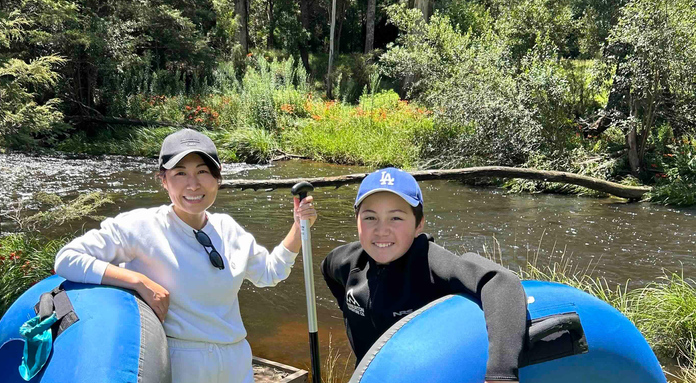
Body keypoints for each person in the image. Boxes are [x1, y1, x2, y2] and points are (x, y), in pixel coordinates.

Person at [54, 128, 317, 383]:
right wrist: (136, 281)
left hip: (236, 361)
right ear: (164, 180)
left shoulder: (229, 229)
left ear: (217, 177)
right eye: (180, 173)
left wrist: (297, 227)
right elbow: (67, 258)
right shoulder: (139, 226)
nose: (193, 184)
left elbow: (270, 273)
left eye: (202, 171)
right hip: (177, 362)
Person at [321, 167, 526, 383]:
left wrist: (501, 374)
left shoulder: (431, 262)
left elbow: (501, 281)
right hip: (369, 375)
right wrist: (348, 306)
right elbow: (327, 269)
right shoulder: (346, 261)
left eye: (396, 218)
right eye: (370, 217)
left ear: (419, 224)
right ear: (357, 220)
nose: (381, 230)